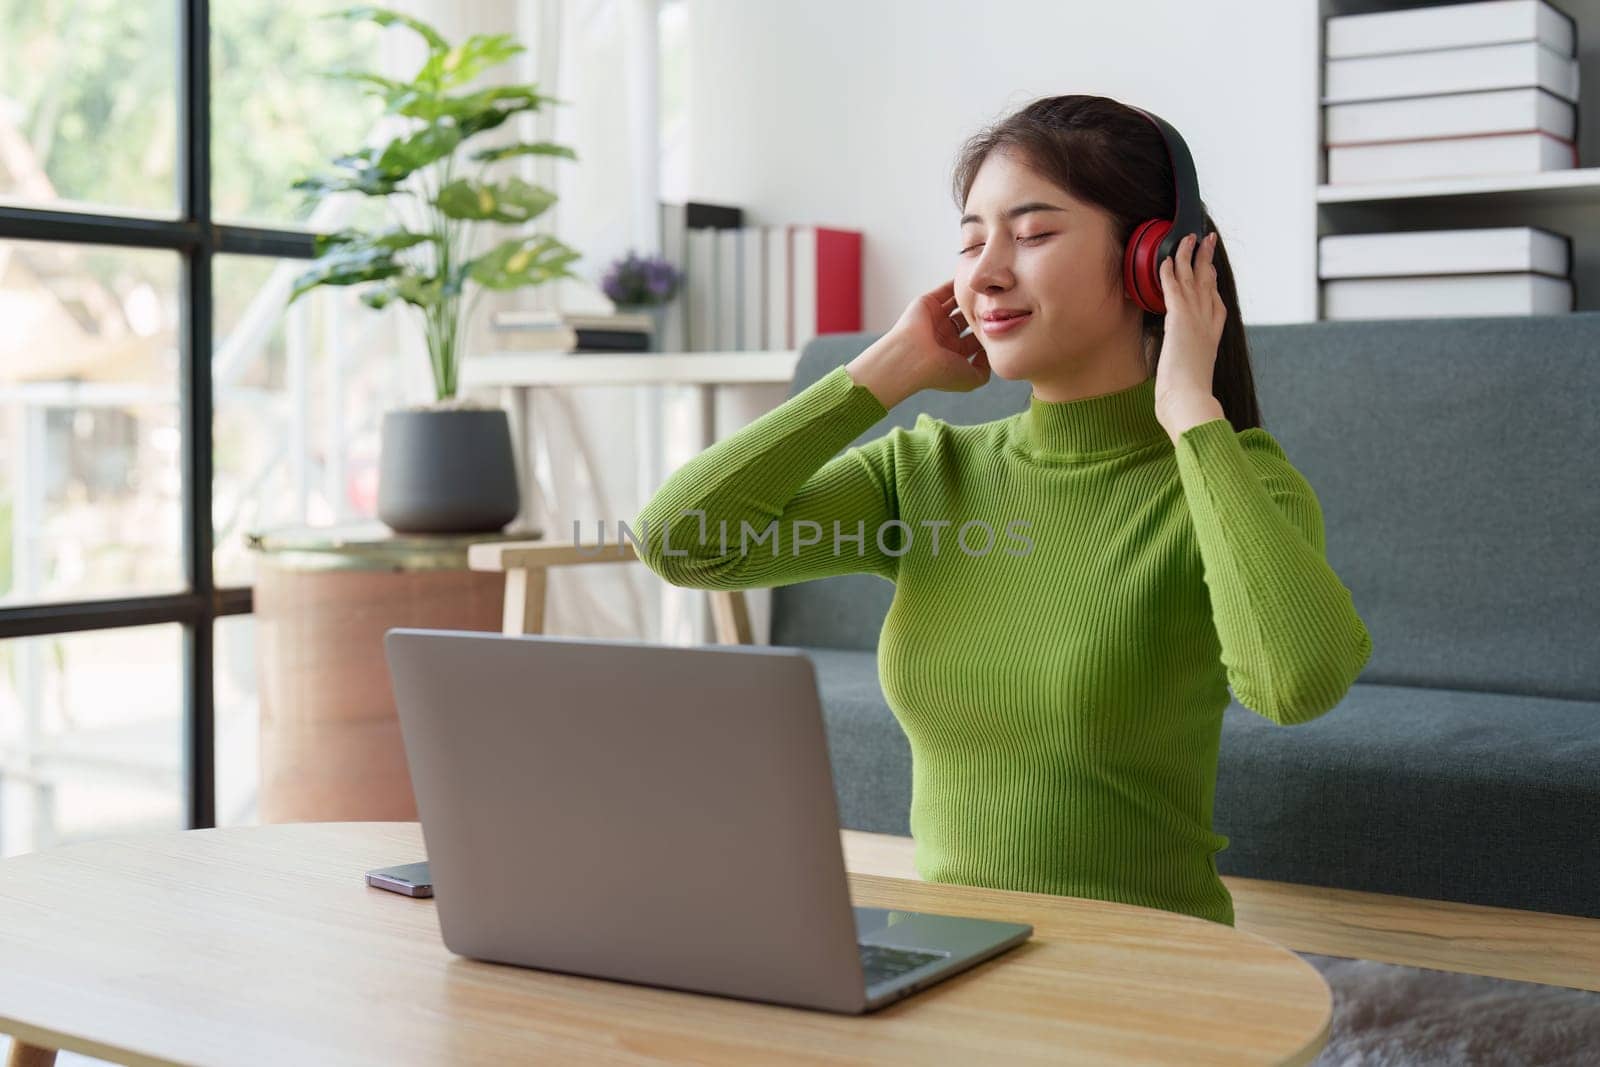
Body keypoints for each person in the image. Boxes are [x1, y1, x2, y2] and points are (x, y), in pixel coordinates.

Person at [631, 94, 1372, 928]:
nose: (985, 271)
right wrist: (887, 367)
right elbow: (680, 542)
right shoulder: (929, 474)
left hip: (1151, 977)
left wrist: (1192, 414)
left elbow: (1295, 684)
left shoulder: (1229, 482)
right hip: (953, 962)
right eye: (971, 239)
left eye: (1033, 232)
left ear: (1148, 262)